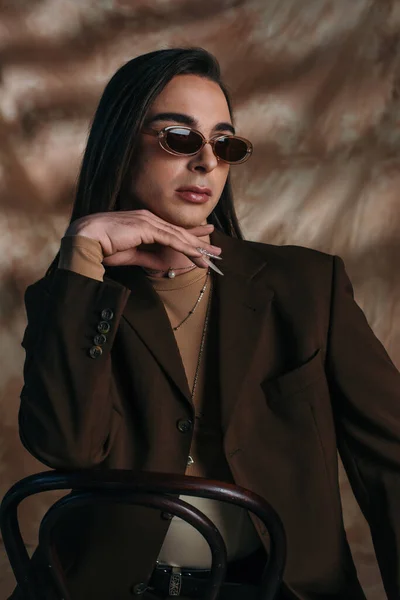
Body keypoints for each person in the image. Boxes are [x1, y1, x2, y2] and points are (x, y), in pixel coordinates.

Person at [10, 47, 400, 600]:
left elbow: (392, 462)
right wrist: (82, 253)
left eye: (225, 144)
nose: (207, 163)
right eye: (180, 138)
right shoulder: (73, 298)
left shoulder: (307, 287)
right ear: (121, 143)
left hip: (269, 589)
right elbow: (66, 447)